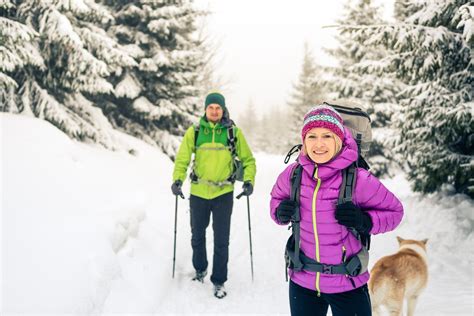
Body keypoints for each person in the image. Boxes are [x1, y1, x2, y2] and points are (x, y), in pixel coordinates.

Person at [270, 105, 403, 316]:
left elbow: (395, 213)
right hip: (303, 281)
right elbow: (276, 200)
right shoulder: (293, 175)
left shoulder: (358, 179)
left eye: (327, 136)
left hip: (348, 282)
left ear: (339, 139)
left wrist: (365, 221)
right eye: (312, 136)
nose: (319, 144)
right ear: (304, 141)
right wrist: (279, 212)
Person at [172, 91, 256, 299]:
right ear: (206, 109)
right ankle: (200, 269)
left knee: (221, 240)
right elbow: (182, 158)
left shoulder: (232, 132)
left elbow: (249, 160)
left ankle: (219, 281)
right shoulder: (196, 131)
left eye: (218, 107)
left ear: (223, 109)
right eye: (211, 107)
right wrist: (177, 180)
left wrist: (249, 181)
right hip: (199, 192)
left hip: (223, 193)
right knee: (197, 236)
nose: (215, 110)